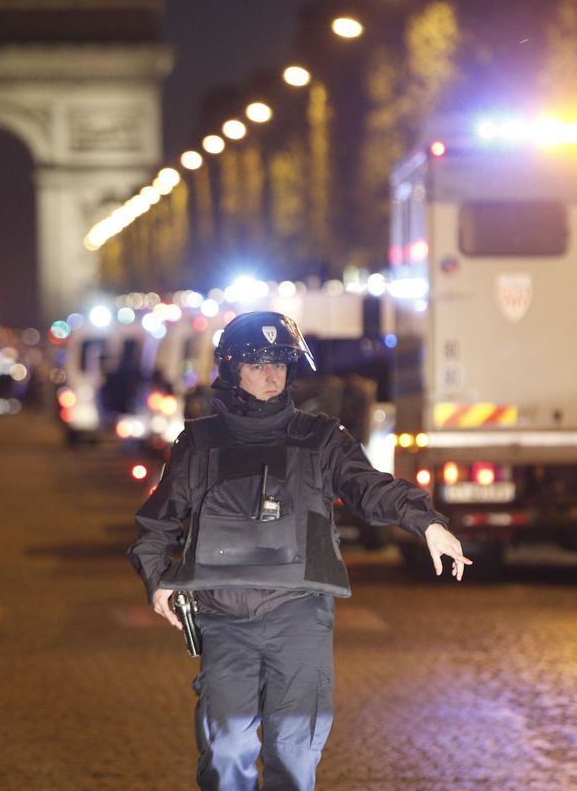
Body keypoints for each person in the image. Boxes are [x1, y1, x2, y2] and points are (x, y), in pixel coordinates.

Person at [127, 310, 470, 791]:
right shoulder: (200, 442)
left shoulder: (322, 438)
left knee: (293, 753)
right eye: (258, 364)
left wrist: (426, 522)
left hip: (299, 614)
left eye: (280, 364)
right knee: (225, 751)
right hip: (224, 618)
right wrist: (157, 578)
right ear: (232, 370)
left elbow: (368, 488)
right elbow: (158, 520)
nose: (272, 375)